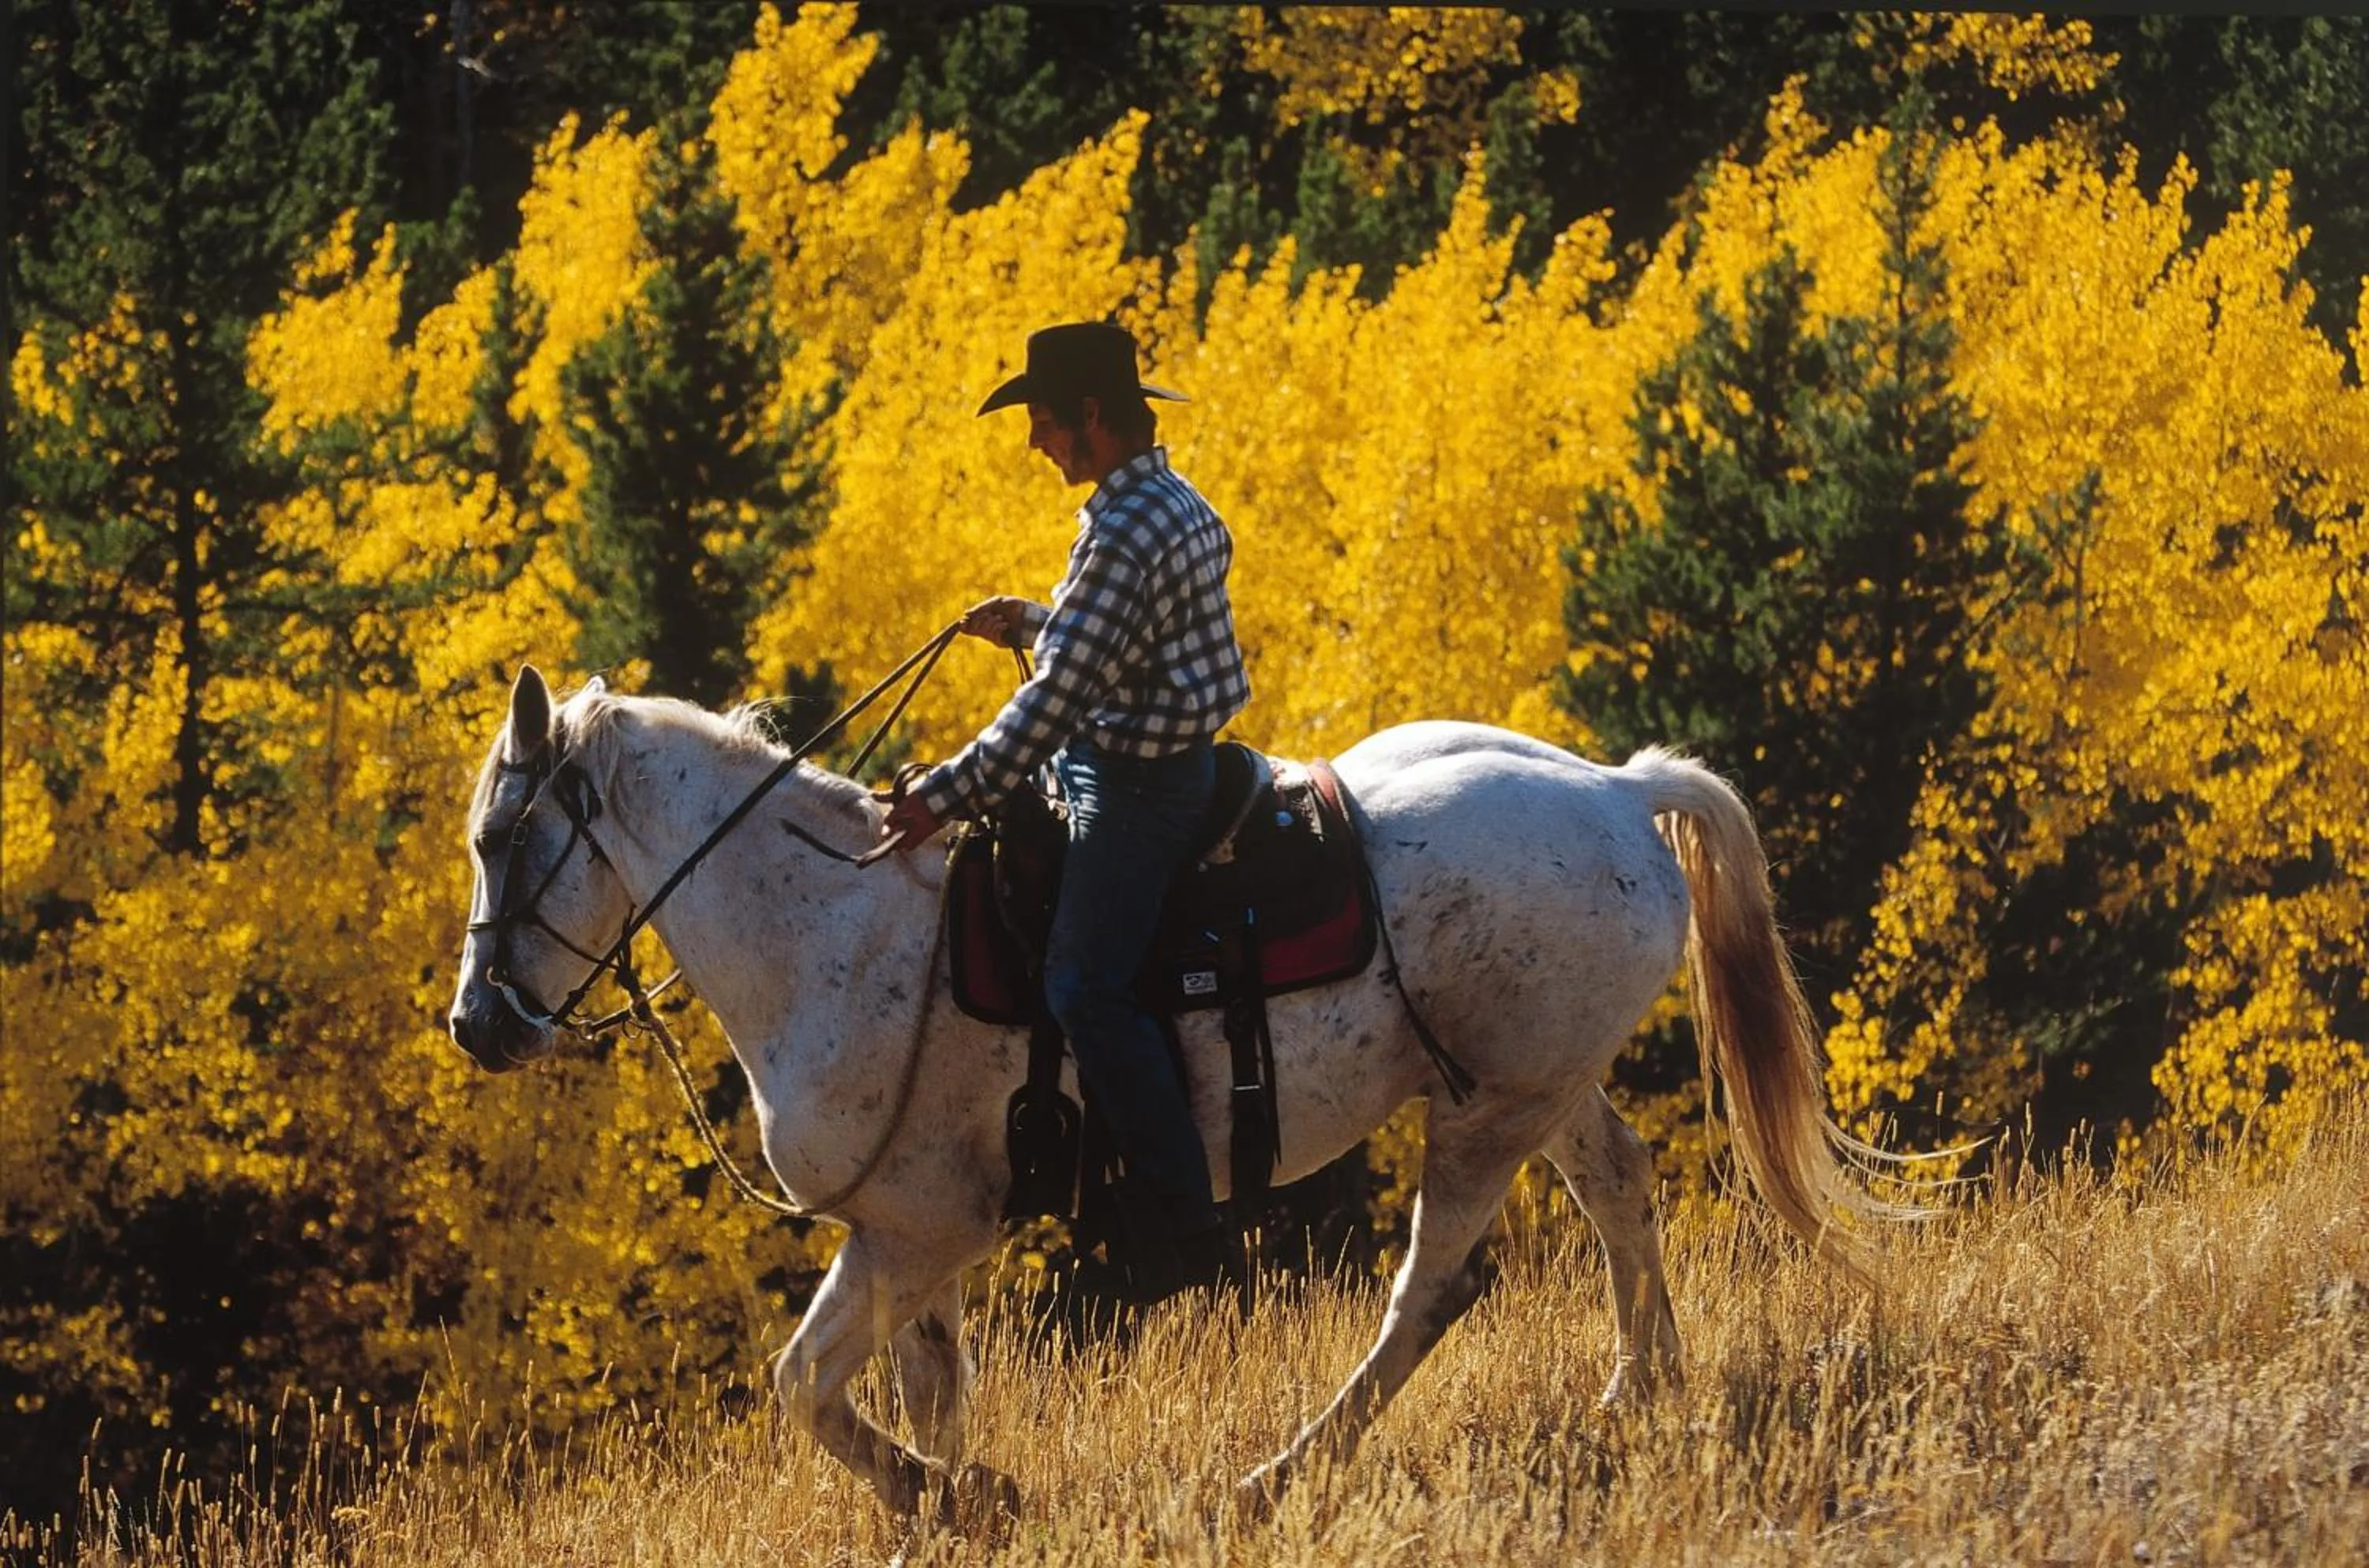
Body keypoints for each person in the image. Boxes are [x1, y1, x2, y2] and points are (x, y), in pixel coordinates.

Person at [881, 321, 1249, 1302]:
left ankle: (1186, 1223)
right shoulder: (1172, 500)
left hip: (1138, 785)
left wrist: (944, 795)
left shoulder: (1122, 530)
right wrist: (1039, 623)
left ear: (1092, 417)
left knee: (1083, 983)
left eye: (1044, 423)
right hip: (1161, 756)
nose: (1036, 444)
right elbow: (1124, 647)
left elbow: (1054, 705)